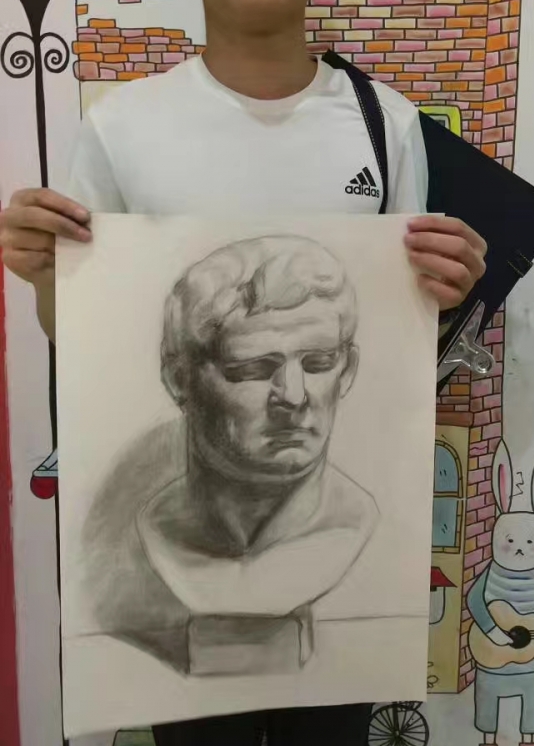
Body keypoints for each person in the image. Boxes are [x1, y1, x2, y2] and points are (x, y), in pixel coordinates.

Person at [0, 0, 486, 746]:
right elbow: (87, 338)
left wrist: (448, 290)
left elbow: (406, 344)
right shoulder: (123, 128)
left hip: (347, 601)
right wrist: (49, 275)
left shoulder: (386, 124)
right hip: (185, 588)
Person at [83, 235, 379, 678]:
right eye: (253, 368)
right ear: (180, 380)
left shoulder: (358, 523)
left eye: (318, 363)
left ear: (347, 370)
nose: (293, 396)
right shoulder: (159, 530)